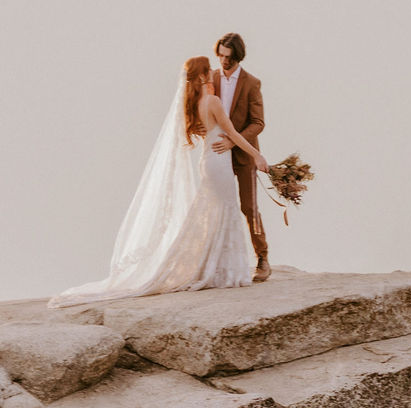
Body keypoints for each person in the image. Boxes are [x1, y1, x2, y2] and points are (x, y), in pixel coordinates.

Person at [51, 54, 268, 305]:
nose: (213, 71)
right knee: (225, 211)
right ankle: (223, 270)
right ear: (201, 76)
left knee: (217, 213)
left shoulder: (195, 103)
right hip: (219, 163)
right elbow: (233, 135)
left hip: (208, 162)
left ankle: (216, 268)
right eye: (208, 69)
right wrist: (257, 156)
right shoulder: (214, 102)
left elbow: (204, 130)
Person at [207, 33, 270, 282]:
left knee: (249, 207)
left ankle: (263, 258)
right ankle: (216, 262)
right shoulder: (209, 79)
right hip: (216, 155)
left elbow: (258, 122)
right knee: (215, 208)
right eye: (220, 55)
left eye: (228, 57)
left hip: (243, 154)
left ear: (238, 57)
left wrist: (234, 141)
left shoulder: (252, 83)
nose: (223, 61)